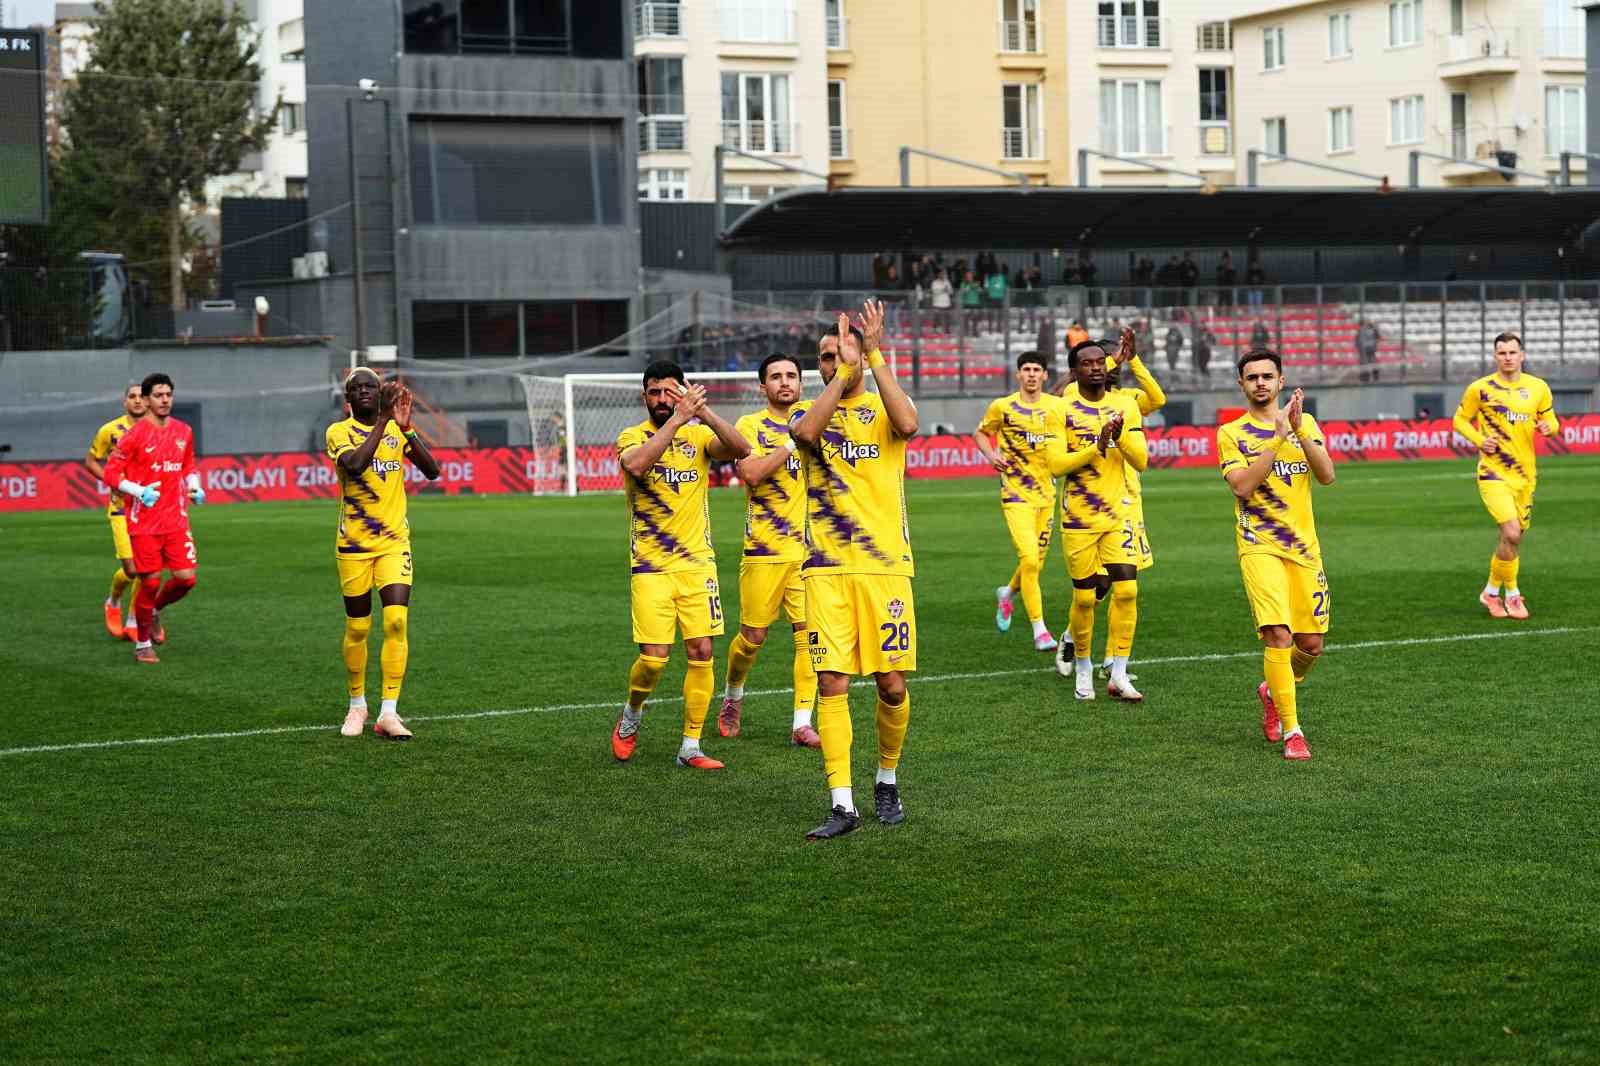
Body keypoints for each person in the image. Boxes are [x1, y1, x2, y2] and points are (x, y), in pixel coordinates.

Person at [790, 300, 919, 840]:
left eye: (840, 352)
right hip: (825, 568)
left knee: (891, 685)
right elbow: (803, 436)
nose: (833, 361)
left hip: (885, 567)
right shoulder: (806, 412)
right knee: (832, 682)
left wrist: (872, 353)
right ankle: (842, 803)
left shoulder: (886, 406)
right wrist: (843, 372)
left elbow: (909, 424)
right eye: (825, 356)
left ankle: (886, 777)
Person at [610, 360, 751, 769]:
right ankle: (632, 713)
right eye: (654, 392)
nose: (661, 400)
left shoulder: (698, 434)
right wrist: (677, 419)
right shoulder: (632, 436)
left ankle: (691, 746)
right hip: (651, 566)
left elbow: (742, 449)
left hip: (697, 564)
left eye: (669, 392)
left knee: (702, 650)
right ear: (644, 397)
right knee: (653, 659)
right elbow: (637, 465)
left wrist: (701, 412)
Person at [1217, 350, 1336, 761]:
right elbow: (1242, 486)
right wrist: (1279, 437)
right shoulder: (1231, 434)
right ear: (1242, 385)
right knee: (1278, 636)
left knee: (1311, 644)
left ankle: (1272, 690)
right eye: (1252, 378)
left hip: (1304, 548)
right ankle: (1293, 731)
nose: (1261, 383)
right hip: (1259, 546)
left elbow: (1327, 475)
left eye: (1268, 376)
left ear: (1281, 381)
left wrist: (1300, 431)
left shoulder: (1307, 425)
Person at [325, 368, 442, 740]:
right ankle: (357, 705)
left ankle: (388, 712)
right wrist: (385, 423)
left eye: (369, 387)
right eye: (356, 388)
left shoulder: (395, 430)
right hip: (354, 547)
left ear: (379, 394)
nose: (363, 392)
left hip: (394, 543)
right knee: (359, 627)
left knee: (395, 623)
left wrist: (405, 428)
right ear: (348, 399)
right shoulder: (338, 432)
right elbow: (356, 466)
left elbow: (432, 470)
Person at [718, 353, 821, 748]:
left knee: (808, 636)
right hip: (763, 550)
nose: (784, 382)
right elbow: (751, 473)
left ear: (801, 382)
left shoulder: (815, 418)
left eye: (791, 375)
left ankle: (801, 722)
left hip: (808, 551)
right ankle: (733, 693)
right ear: (763, 386)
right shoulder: (750, 425)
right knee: (752, 637)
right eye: (776, 376)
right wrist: (791, 445)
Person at [1056, 328, 1166, 682]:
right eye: (1096, 360)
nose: (1103, 366)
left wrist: (1134, 358)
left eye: (1105, 359)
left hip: (1128, 501)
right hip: (1090, 504)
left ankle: (1110, 662)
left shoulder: (1129, 399)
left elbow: (1158, 398)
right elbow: (1056, 402)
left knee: (1125, 584)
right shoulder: (1074, 395)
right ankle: (1073, 635)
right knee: (1099, 585)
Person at [1451, 332, 1560, 620]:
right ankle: (1512, 595)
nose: (1508, 357)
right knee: (1511, 532)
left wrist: (1551, 428)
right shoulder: (1481, 389)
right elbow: (1459, 419)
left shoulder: (1538, 388)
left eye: (1513, 352)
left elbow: (1550, 418)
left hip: (1526, 474)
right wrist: (1478, 439)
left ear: (1522, 355)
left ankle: (1490, 592)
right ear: (1495, 356)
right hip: (1493, 472)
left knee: (1511, 538)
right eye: (1502, 353)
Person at [101, 373, 203, 665]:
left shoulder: (183, 431)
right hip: (144, 522)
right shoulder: (133, 435)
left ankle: (155, 610)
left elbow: (188, 466)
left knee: (186, 580)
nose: (164, 400)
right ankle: (142, 644)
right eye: (158, 395)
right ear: (145, 400)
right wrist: (138, 490)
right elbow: (110, 474)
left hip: (176, 520)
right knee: (148, 582)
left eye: (168, 394)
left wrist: (194, 486)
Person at [975, 351, 1071, 652]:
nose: (1031, 374)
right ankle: (1040, 630)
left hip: (1047, 496)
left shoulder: (1057, 407)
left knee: (1035, 565)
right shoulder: (1003, 407)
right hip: (1016, 495)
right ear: (1018, 374)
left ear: (1044, 375)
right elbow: (980, 433)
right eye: (1026, 369)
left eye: (1036, 369)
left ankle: (1007, 593)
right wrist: (991, 456)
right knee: (1030, 560)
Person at [83, 383, 147, 642]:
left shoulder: (158, 430)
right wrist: (112, 481)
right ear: (125, 402)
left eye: (142, 397)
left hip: (149, 510)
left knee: (147, 568)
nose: (137, 401)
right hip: (121, 507)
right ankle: (113, 601)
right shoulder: (110, 431)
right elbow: (91, 461)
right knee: (131, 569)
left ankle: (134, 621)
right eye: (132, 397)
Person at [929, 268, 953, 333]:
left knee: (947, 318)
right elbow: (934, 292)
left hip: (946, 303)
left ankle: (947, 331)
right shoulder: (934, 282)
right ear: (938, 274)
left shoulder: (947, 281)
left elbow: (951, 292)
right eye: (941, 274)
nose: (942, 275)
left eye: (943, 274)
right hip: (937, 303)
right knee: (936, 318)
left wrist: (948, 290)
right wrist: (942, 290)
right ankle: (935, 331)